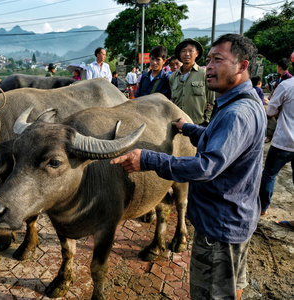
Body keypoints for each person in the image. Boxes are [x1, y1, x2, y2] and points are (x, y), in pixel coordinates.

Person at [111, 34, 265, 300]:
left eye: (218, 60)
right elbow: (221, 143)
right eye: (209, 60)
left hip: (220, 228)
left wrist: (147, 159)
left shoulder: (236, 114)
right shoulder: (243, 102)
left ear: (242, 66)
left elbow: (207, 166)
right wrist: (189, 129)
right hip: (234, 216)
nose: (210, 67)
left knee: (212, 294)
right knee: (231, 288)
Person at [259, 73, 293, 215]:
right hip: (283, 142)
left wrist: (280, 110)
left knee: (269, 175)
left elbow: (271, 110)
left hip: (283, 141)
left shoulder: (286, 86)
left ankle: (263, 208)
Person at [169, 38, 215, 126]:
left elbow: (211, 101)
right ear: (180, 54)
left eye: (191, 51)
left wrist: (206, 121)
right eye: (183, 51)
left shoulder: (204, 74)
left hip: (198, 124)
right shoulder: (173, 77)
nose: (187, 54)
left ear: (197, 53)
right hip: (177, 123)